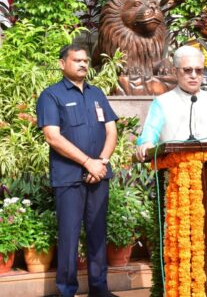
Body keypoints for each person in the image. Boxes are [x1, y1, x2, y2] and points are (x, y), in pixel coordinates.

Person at [36, 44, 119, 297]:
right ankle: (66, 291)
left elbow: (112, 131)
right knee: (69, 236)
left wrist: (101, 162)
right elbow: (53, 137)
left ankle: (99, 289)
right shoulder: (51, 95)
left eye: (85, 61)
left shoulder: (97, 94)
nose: (83, 64)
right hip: (69, 178)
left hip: (99, 175)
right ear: (63, 64)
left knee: (97, 233)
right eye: (77, 60)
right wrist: (87, 162)